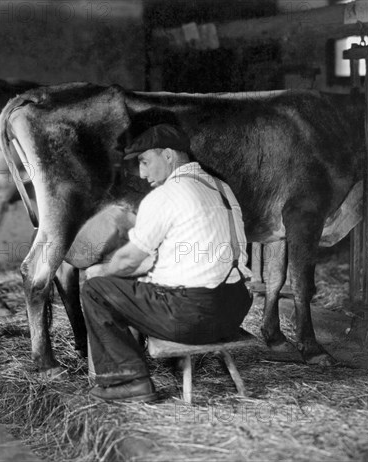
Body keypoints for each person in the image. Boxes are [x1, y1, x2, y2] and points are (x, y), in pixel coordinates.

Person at [81, 123, 253, 403]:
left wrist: (105, 275)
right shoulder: (221, 187)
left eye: (146, 161)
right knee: (139, 283)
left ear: (169, 155)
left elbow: (126, 260)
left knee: (96, 290)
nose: (143, 173)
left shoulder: (166, 195)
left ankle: (130, 380)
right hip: (234, 310)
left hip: (191, 317)